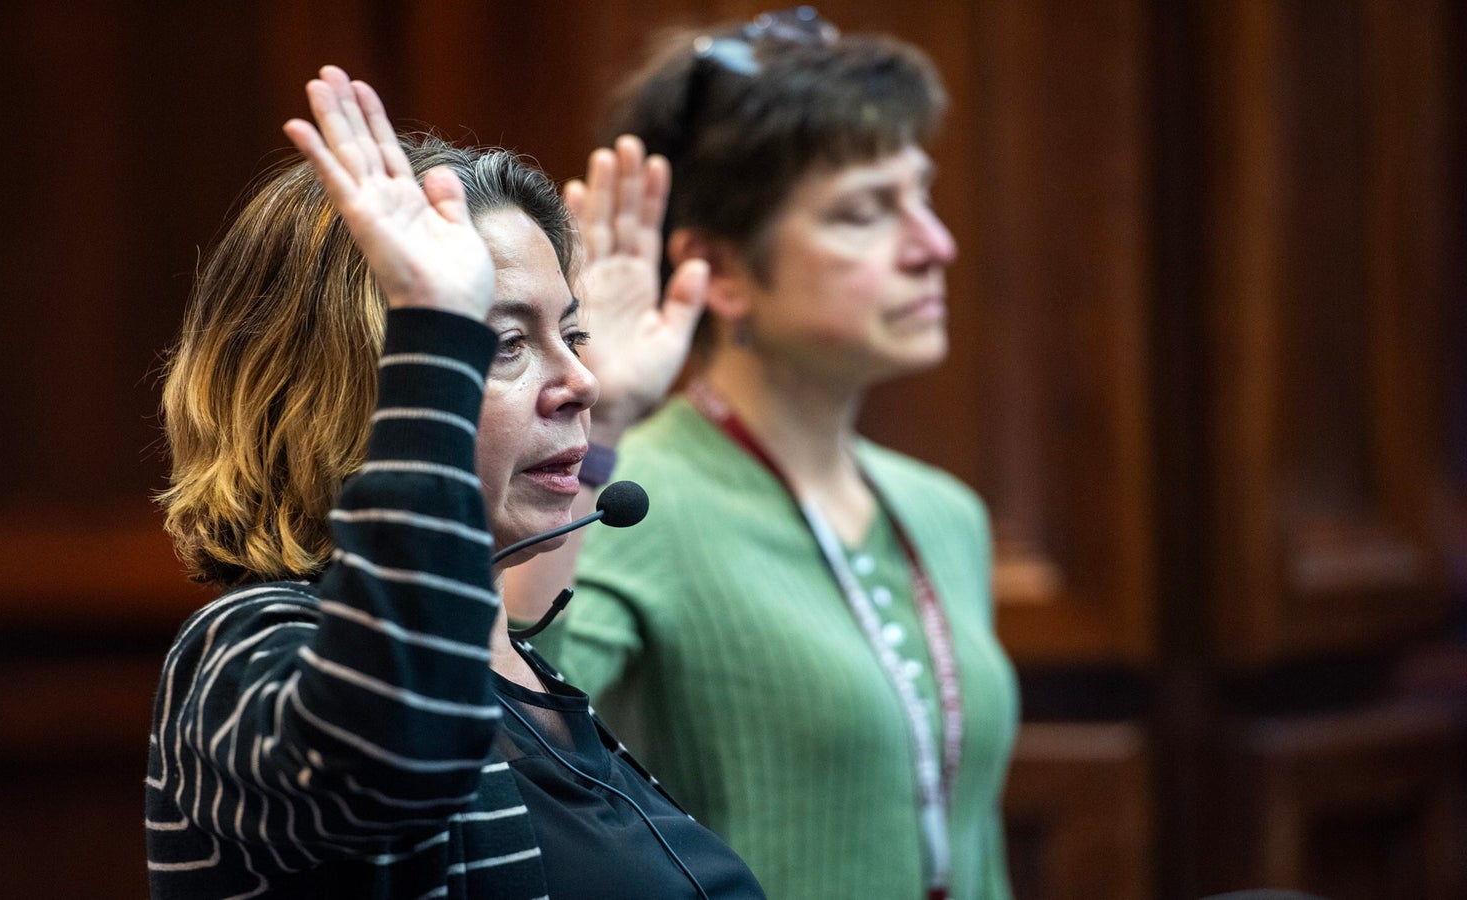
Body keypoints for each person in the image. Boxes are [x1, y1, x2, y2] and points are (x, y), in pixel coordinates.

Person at [145, 64, 764, 899]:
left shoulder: (525, 675)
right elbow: (395, 756)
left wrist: (602, 421)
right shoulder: (244, 651)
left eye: (571, 333)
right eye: (501, 343)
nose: (580, 377)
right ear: (359, 385)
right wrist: (439, 325)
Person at [513, 8, 1020, 899]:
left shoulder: (946, 512)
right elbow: (510, 744)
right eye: (866, 213)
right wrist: (609, 418)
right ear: (721, 270)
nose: (933, 246)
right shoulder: (625, 497)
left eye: (923, 196)